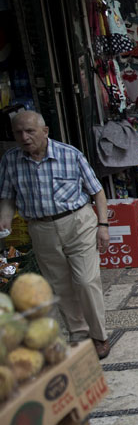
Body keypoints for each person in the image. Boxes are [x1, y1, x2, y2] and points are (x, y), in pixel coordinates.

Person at [0, 111, 113, 359]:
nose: (24, 137)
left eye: (30, 131)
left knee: (85, 281)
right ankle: (79, 334)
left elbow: (97, 192)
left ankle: (99, 335)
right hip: (41, 228)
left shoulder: (69, 154)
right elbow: (7, 197)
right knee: (60, 285)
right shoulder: (10, 160)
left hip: (78, 222)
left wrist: (103, 226)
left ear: (45, 131)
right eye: (18, 132)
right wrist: (5, 218)